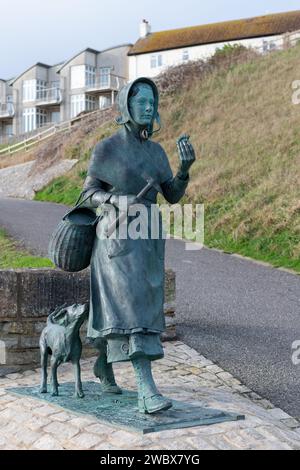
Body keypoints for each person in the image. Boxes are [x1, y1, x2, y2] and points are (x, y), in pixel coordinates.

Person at [81, 77, 196, 414]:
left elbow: (171, 195)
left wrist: (184, 170)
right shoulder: (107, 149)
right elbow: (88, 194)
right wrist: (117, 200)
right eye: (141, 102)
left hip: (147, 242)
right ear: (125, 106)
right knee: (129, 309)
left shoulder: (157, 152)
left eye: (152, 102)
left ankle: (103, 363)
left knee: (135, 306)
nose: (148, 108)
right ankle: (146, 389)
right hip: (114, 239)